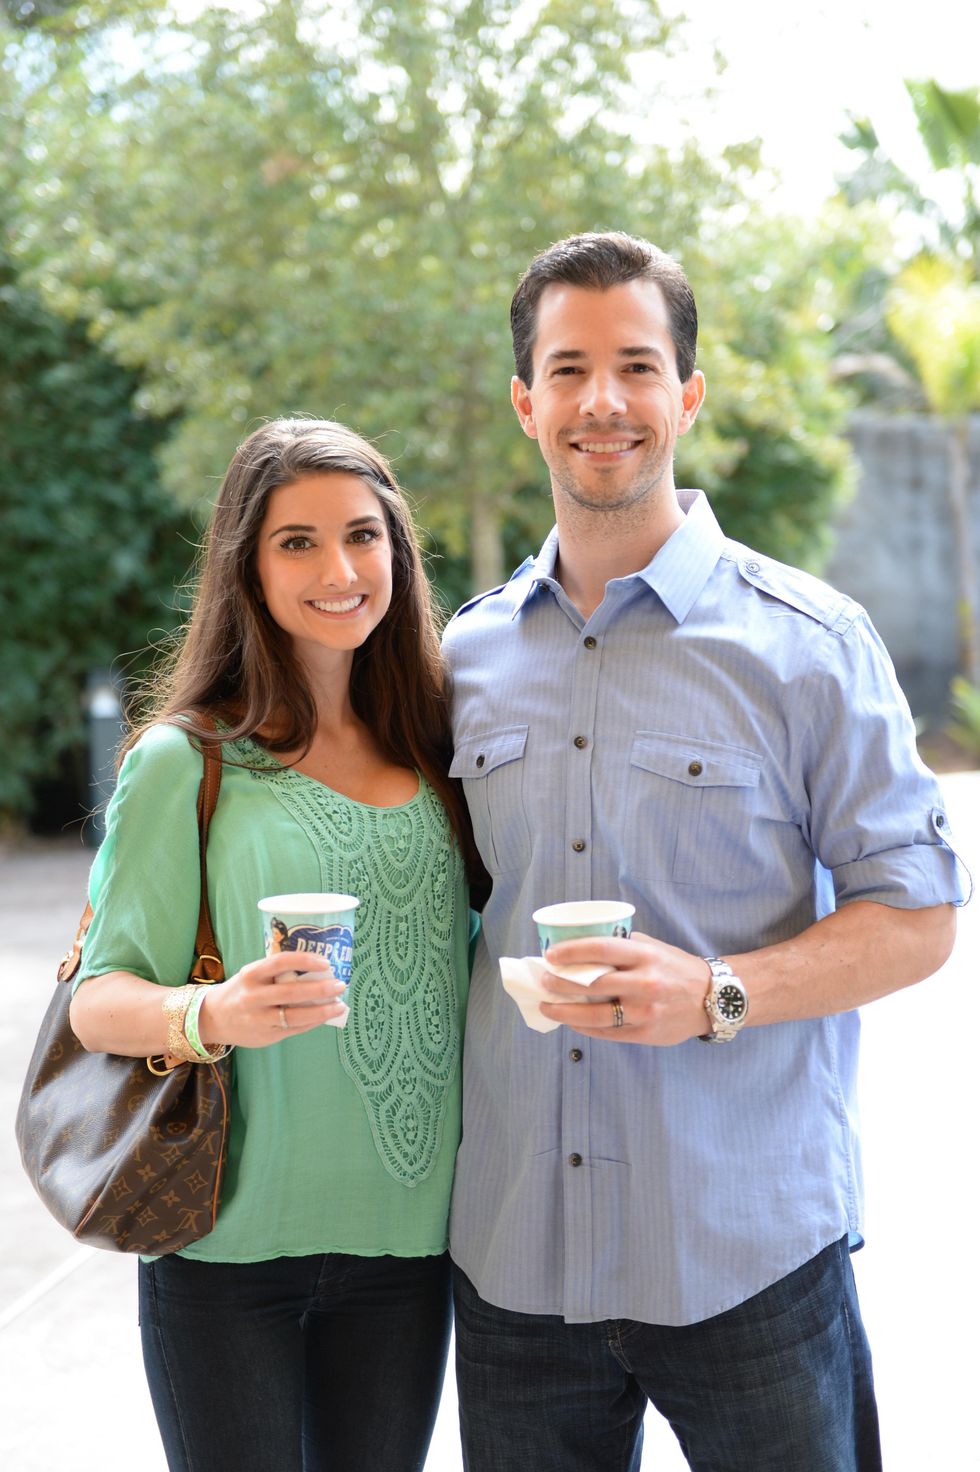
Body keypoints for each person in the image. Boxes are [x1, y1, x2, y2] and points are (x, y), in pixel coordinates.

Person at [442, 232, 967, 1472]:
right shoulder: (461, 656)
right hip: (516, 1262)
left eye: (635, 365)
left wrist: (718, 990)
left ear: (685, 395)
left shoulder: (809, 645)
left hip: (745, 1258)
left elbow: (918, 913)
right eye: (567, 369)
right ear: (525, 402)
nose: (602, 400)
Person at [69, 417, 480, 1472]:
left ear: (397, 549)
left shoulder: (441, 742)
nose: (339, 570)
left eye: (362, 535)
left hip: (410, 1244)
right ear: (246, 566)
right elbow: (97, 998)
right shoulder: (187, 759)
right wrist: (213, 1012)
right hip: (227, 1246)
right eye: (297, 542)